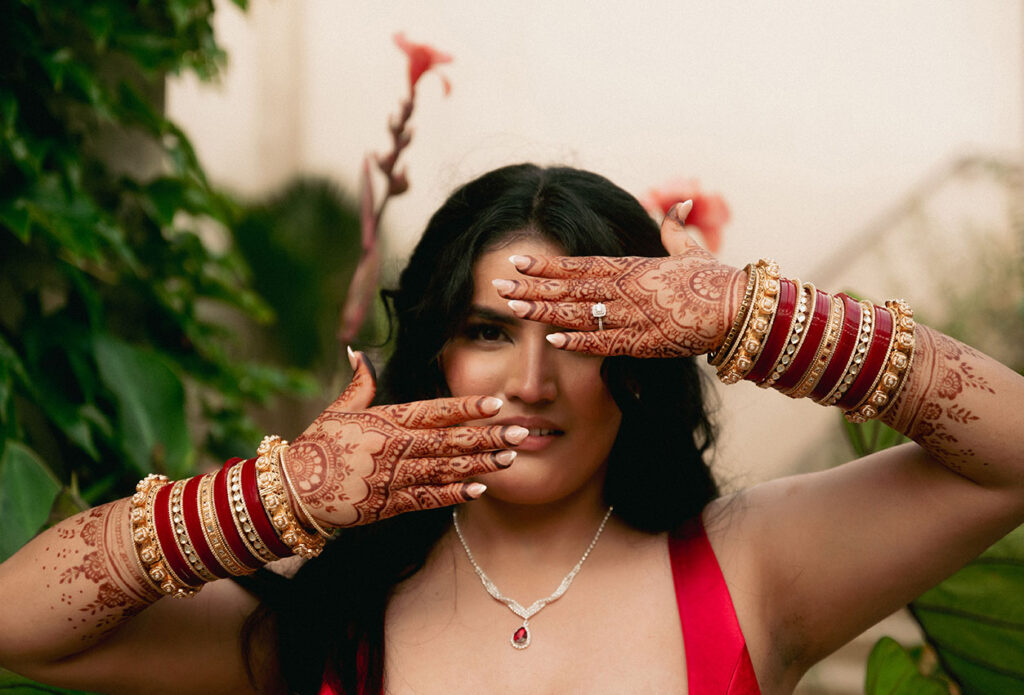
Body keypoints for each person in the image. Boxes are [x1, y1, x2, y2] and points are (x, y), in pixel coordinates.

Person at [0, 164, 1021, 695]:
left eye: (578, 334)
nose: (531, 380)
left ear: (641, 359)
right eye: (489, 330)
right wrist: (273, 495)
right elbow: (18, 623)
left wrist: (752, 315)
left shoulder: (744, 569)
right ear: (437, 352)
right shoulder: (325, 627)